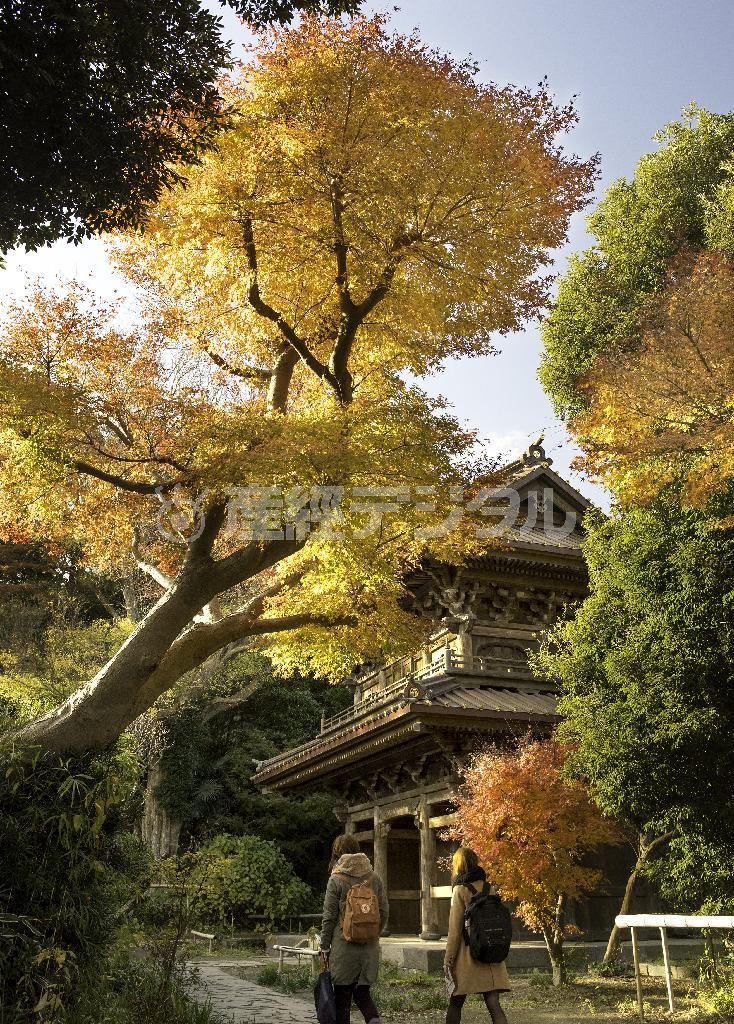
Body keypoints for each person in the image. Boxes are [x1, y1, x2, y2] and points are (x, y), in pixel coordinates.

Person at [319, 833, 389, 1024]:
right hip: (369, 947)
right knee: (363, 994)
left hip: (344, 947)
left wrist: (324, 947)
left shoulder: (336, 879)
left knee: (342, 1000)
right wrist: (372, 932)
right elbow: (384, 910)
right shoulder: (374, 877)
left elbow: (329, 918)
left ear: (337, 852)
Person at [443, 846, 511, 1024]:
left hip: (468, 954)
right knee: (493, 1001)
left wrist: (448, 959)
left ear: (459, 865)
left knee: (456, 1000)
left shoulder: (460, 890)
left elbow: (454, 930)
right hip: (491, 950)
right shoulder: (490, 888)